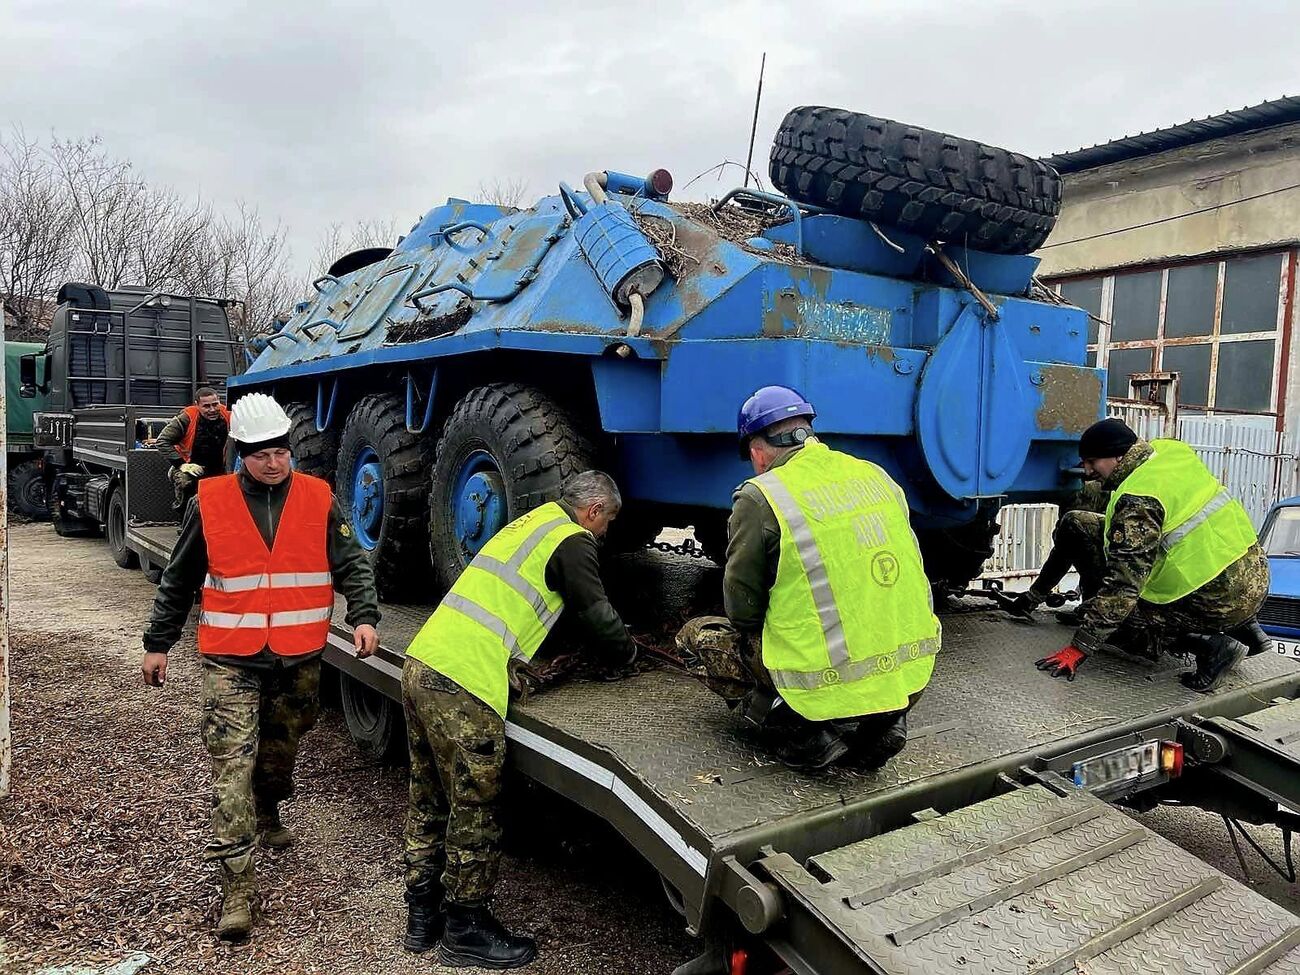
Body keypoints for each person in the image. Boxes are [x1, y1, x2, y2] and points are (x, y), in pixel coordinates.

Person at [139, 392, 380, 942]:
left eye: (281, 451)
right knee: (231, 773)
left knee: (279, 752)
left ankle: (270, 808)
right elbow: (179, 578)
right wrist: (159, 642)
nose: (273, 462)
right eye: (260, 453)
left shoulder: (319, 498)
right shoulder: (211, 501)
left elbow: (352, 566)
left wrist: (364, 616)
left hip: (297, 658)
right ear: (238, 452)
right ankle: (236, 893)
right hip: (230, 660)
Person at [400, 471, 637, 969]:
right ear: (593, 510)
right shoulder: (574, 541)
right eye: (609, 520)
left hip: (423, 662)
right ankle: (465, 927)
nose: (606, 531)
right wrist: (626, 652)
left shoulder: (533, 523)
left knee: (428, 797)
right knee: (475, 807)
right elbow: (596, 615)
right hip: (465, 684)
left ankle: (422, 917)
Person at [677, 385, 941, 771]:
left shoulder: (761, 496)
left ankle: (803, 734)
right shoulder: (876, 476)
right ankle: (885, 721)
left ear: (756, 451)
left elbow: (743, 612)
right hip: (910, 673)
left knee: (696, 637)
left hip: (818, 684)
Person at [1035, 418, 1272, 691]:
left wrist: (1081, 646)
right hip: (1253, 579)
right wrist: (1035, 595)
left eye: (1092, 461)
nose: (1087, 471)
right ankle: (1247, 629)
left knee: (1115, 621)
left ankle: (1211, 646)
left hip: (1215, 599)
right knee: (1080, 524)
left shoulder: (1138, 500)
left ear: (1118, 455)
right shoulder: (1170, 453)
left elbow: (1123, 587)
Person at [1007, 480, 1110, 623]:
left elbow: (1066, 549)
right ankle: (1093, 606)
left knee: (1072, 526)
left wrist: (1035, 595)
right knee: (1072, 529)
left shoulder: (1089, 491)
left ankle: (1095, 609)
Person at [156, 386, 231, 509]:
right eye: (206, 406)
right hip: (191, 466)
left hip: (219, 467)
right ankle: (184, 519)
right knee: (185, 482)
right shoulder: (187, 418)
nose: (212, 409)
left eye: (215, 404)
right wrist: (182, 464)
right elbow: (162, 441)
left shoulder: (228, 415)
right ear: (197, 405)